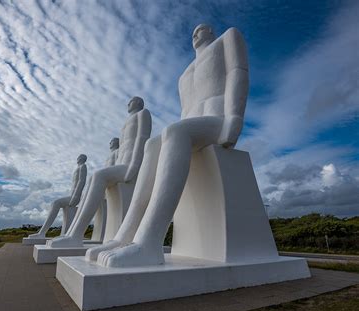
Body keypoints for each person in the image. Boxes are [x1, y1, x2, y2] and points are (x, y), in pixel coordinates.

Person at [88, 24, 249, 267]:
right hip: (193, 125)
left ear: (211, 32)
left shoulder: (227, 38)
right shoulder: (185, 74)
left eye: (201, 29)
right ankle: (124, 236)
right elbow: (186, 110)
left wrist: (234, 118)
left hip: (217, 119)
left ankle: (150, 241)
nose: (195, 33)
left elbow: (238, 72)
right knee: (153, 145)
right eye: (192, 31)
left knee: (173, 131)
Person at [48, 97, 152, 248]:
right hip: (122, 163)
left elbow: (143, 138)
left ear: (138, 103)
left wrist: (134, 166)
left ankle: (76, 234)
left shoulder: (143, 114)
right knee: (93, 179)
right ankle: (71, 234)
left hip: (130, 165)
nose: (128, 104)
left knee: (98, 175)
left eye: (131, 101)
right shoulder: (125, 124)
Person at [28, 154, 87, 238]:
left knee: (56, 203)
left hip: (75, 197)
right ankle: (42, 232)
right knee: (55, 203)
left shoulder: (83, 166)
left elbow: (82, 181)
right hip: (72, 196)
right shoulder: (78, 168)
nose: (78, 158)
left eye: (80, 157)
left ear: (82, 159)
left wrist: (75, 196)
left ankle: (42, 233)